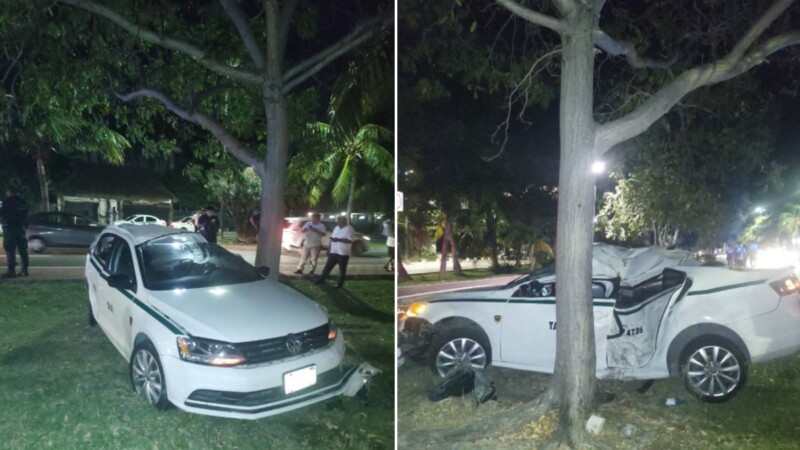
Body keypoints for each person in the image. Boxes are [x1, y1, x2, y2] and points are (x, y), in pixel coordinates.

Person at [315, 215, 354, 288]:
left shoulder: (349, 229)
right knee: (328, 267)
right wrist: (329, 249)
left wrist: (338, 240)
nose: (338, 223)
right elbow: (332, 238)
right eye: (338, 221)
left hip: (343, 253)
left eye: (340, 221)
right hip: (334, 251)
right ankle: (322, 279)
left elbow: (350, 240)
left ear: (344, 221)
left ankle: (339, 284)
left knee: (342, 269)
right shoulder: (336, 228)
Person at [1, 186, 29, 278]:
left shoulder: (7, 201)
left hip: (10, 228)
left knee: (10, 250)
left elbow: (2, 213)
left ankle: (11, 271)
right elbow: (25, 215)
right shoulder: (23, 202)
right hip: (21, 229)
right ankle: (24, 270)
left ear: (9, 192)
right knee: (23, 250)